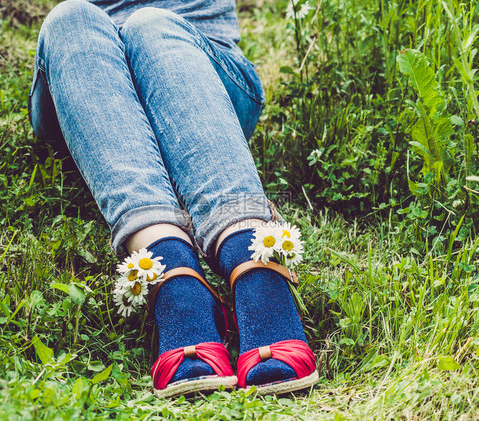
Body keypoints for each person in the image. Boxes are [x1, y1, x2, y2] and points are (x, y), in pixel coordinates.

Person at [28, 0, 319, 397]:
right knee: (70, 18)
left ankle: (247, 250)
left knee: (151, 24)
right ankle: (173, 272)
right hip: (86, 71)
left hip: (195, 60)